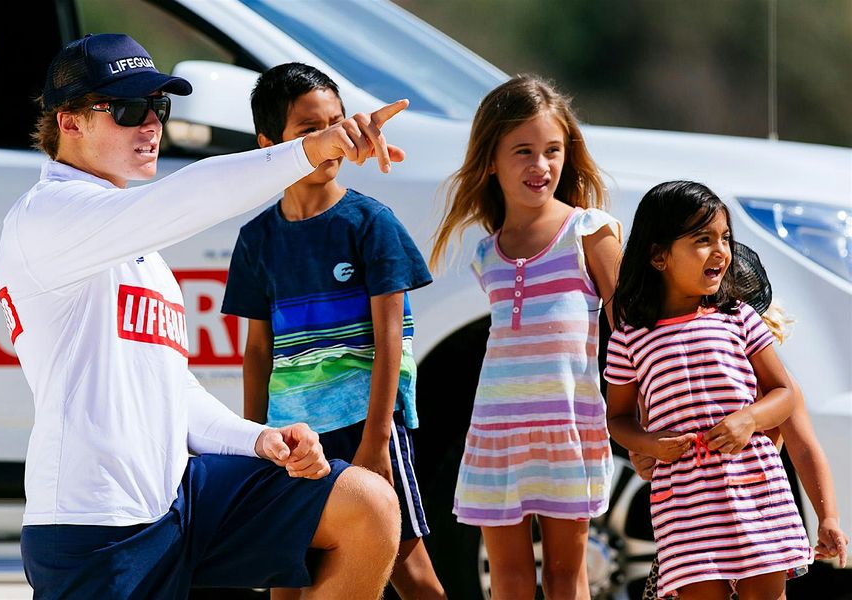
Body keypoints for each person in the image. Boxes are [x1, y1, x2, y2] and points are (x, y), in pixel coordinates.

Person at [0, 33, 411, 599]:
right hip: (92, 527)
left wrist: (258, 439)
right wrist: (309, 150)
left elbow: (172, 393)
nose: (151, 126)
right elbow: (189, 196)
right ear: (69, 122)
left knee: (367, 505)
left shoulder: (138, 247)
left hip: (180, 500)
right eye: (129, 109)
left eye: (158, 109)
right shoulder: (47, 216)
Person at [220, 63, 444, 600]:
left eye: (336, 124)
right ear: (270, 144)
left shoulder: (371, 223)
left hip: (368, 429)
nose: (329, 141)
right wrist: (257, 444)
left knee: (411, 568)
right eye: (308, 131)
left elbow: (393, 341)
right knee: (290, 575)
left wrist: (377, 441)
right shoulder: (256, 240)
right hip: (294, 439)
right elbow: (258, 351)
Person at [428, 75, 621, 599]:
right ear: (491, 160)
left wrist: (639, 415)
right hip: (496, 432)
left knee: (566, 576)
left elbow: (631, 329)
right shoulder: (486, 253)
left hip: (567, 426)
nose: (541, 166)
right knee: (508, 580)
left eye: (552, 151)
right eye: (523, 151)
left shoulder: (589, 230)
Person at [605, 181, 813, 599]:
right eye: (703, 239)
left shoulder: (739, 318)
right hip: (684, 505)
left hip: (756, 489)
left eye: (725, 239)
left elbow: (783, 394)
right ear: (658, 255)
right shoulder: (629, 339)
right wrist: (648, 443)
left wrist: (749, 419)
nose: (721, 250)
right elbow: (617, 418)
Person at [628, 242, 847, 600]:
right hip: (694, 531)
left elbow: (805, 449)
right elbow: (647, 446)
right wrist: (645, 453)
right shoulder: (672, 374)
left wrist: (829, 518)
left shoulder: (777, 387)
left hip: (755, 523)